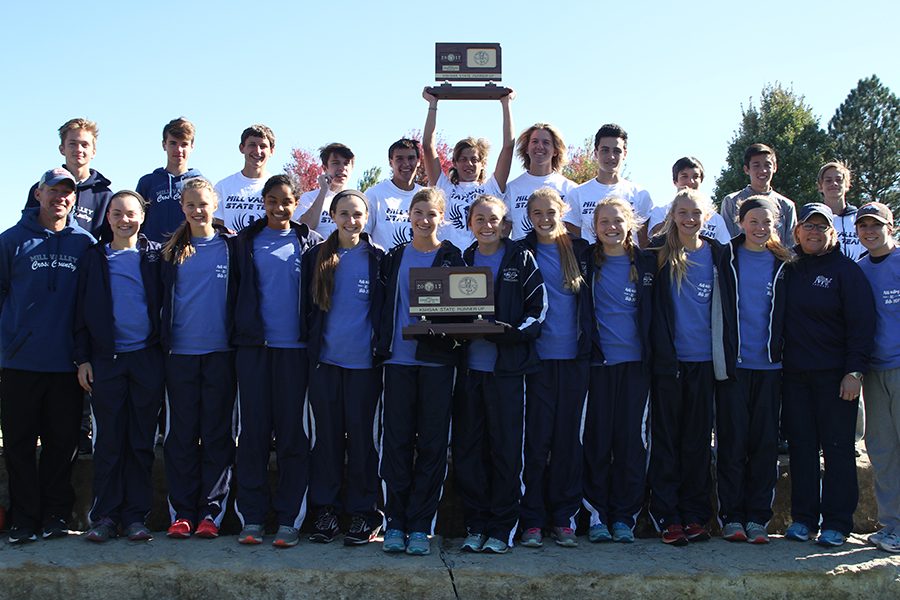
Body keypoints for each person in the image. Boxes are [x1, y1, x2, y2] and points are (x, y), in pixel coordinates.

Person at [0, 167, 95, 543]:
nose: (60, 198)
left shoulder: (84, 243)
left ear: (74, 198)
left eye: (67, 192)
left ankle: (56, 514)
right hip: (19, 362)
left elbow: (90, 305)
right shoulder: (10, 242)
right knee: (20, 444)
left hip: (66, 364)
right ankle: (24, 518)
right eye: (52, 191)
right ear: (38, 194)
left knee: (63, 444)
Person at [232, 174, 322, 547]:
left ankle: (289, 519)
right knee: (252, 437)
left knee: (292, 438)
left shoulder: (311, 244)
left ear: (296, 202)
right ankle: (251, 518)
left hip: (295, 353)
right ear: (263, 202)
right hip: (253, 351)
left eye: (286, 201)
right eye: (272, 200)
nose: (279, 207)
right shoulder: (243, 243)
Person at [375, 187, 465, 556]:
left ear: (441, 217)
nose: (425, 220)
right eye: (419, 212)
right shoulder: (394, 256)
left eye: (432, 214)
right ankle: (394, 522)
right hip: (397, 362)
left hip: (436, 365)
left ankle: (420, 526)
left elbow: (466, 314)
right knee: (395, 445)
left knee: (431, 446)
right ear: (409, 216)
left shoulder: (453, 258)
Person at [454, 195, 546, 554]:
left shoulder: (521, 258)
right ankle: (476, 525)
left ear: (506, 225)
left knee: (507, 453)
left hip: (508, 373)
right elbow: (446, 313)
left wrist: (507, 333)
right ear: (470, 224)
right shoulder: (461, 260)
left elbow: (538, 312)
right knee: (468, 453)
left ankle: (502, 529)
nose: (487, 225)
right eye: (480, 219)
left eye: (494, 219)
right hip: (468, 375)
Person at [781, 203, 875, 547]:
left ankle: (837, 521)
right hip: (794, 377)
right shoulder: (787, 266)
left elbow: (862, 326)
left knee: (837, 450)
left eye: (822, 227)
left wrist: (854, 372)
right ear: (797, 231)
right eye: (809, 226)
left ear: (832, 233)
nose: (814, 232)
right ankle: (803, 519)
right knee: (802, 450)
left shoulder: (846, 271)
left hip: (836, 379)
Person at [75, 191, 164, 542]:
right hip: (106, 363)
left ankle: (135, 517)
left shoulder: (155, 257)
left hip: (146, 360)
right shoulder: (93, 257)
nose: (124, 219)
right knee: (109, 442)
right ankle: (105, 516)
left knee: (141, 442)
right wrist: (82, 358)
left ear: (142, 216)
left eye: (131, 213)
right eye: (116, 213)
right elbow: (79, 312)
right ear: (107, 218)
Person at [647, 188, 728, 545]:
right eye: (683, 212)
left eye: (696, 213)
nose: (690, 219)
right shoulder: (657, 257)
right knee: (665, 442)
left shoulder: (720, 257)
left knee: (697, 444)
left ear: (707, 216)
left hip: (706, 363)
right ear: (673, 216)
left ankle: (695, 516)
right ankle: (667, 516)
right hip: (668, 364)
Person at [302, 190, 383, 546]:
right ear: (333, 215)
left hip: (365, 366)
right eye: (345, 213)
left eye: (358, 214)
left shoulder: (380, 258)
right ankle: (326, 510)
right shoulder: (315, 256)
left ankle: (364, 513)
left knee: (363, 440)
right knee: (328, 441)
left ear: (367, 218)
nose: (352, 220)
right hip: (326, 364)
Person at [159, 178, 237, 540]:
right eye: (190, 205)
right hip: (180, 357)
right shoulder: (170, 251)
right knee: (182, 437)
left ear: (215, 203)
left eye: (203, 204)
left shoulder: (231, 248)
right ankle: (182, 512)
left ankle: (211, 513)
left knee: (218, 435)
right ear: (182, 208)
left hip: (221, 356)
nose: (198, 210)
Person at [715, 196, 793, 544]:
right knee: (732, 443)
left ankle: (758, 517)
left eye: (767, 222)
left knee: (763, 445)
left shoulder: (785, 263)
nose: (760, 228)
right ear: (740, 221)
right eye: (753, 221)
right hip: (734, 366)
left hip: (771, 367)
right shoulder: (724, 256)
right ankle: (732, 516)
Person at [516, 188, 590, 548]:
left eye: (551, 212)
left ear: (563, 211)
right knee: (535, 442)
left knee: (567, 443)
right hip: (534, 362)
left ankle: (562, 518)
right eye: (537, 212)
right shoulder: (519, 251)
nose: (545, 219)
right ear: (528, 215)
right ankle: (531, 519)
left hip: (574, 361)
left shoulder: (580, 251)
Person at [581, 197, 655, 544]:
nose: (611, 227)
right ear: (594, 228)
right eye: (604, 222)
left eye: (618, 221)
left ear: (631, 224)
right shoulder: (584, 263)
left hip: (636, 367)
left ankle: (624, 516)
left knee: (630, 442)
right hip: (597, 365)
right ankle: (597, 516)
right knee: (596, 441)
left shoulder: (647, 263)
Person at [855, 202, 900, 553]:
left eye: (876, 224)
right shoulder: (859, 270)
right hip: (874, 371)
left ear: (891, 225)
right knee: (882, 450)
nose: (870, 231)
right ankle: (892, 526)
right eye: (863, 226)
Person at [421, 88, 515, 251]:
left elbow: (508, 146)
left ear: (482, 163)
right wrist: (433, 104)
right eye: (463, 159)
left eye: (474, 160)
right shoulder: (444, 188)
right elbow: (427, 147)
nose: (469, 164)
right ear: (455, 163)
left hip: (481, 259)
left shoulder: (491, 189)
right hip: (448, 260)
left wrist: (506, 104)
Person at [562, 123, 653, 245]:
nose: (611, 156)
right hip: (591, 263)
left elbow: (644, 242)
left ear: (625, 154)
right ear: (595, 153)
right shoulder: (577, 194)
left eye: (617, 151)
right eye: (605, 150)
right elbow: (573, 241)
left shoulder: (640, 194)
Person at [25, 118, 113, 241]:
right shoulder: (43, 188)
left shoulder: (104, 195)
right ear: (62, 149)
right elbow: (26, 229)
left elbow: (109, 241)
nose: (79, 149)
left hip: (85, 259)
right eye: (72, 144)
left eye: (85, 145)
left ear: (93, 152)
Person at [137, 117, 204, 243]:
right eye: (173, 143)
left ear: (192, 147)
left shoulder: (201, 185)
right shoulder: (147, 183)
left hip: (188, 251)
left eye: (184, 144)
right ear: (164, 145)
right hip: (152, 255)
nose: (178, 150)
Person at [504, 124, 577, 240]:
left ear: (555, 151)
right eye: (534, 142)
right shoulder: (512, 188)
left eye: (546, 142)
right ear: (526, 149)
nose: (540, 146)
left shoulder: (570, 189)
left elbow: (576, 233)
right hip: (522, 256)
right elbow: (503, 234)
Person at [720, 143, 796, 242]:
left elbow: (791, 246)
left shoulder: (787, 206)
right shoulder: (731, 201)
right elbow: (726, 241)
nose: (763, 170)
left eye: (767, 165)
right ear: (746, 169)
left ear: (775, 167)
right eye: (756, 165)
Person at [646, 157, 731, 243]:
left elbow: (725, 249)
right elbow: (656, 239)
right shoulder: (659, 212)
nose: (691, 182)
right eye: (684, 176)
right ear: (675, 181)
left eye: (695, 177)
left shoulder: (715, 219)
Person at [213, 124, 276, 232]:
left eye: (263, 146)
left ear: (271, 151)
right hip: (232, 247)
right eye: (252, 145)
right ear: (242, 148)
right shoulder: (223, 186)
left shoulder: (277, 187)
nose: (257, 151)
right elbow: (216, 226)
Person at [367, 139, 423, 250]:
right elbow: (363, 236)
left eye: (411, 158)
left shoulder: (426, 195)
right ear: (390, 162)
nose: (406, 163)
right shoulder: (374, 195)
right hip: (384, 266)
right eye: (399, 159)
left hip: (420, 265)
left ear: (418, 161)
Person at [298, 143, 356, 238]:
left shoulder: (357, 200)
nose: (342, 168)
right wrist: (323, 191)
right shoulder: (309, 198)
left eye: (346, 163)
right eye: (336, 163)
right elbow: (304, 229)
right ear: (325, 168)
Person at [817, 161, 863, 260]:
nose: (834, 183)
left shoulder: (860, 218)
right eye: (828, 180)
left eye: (839, 180)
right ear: (820, 186)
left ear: (847, 185)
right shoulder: (814, 220)